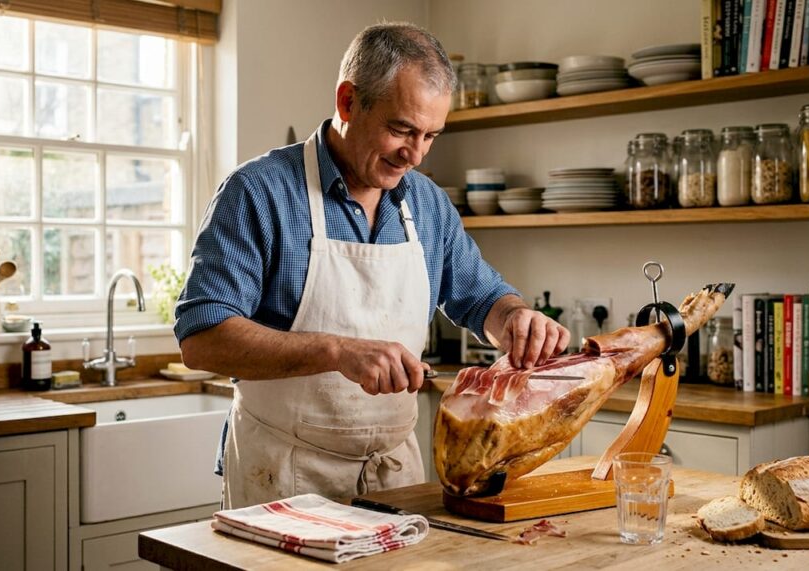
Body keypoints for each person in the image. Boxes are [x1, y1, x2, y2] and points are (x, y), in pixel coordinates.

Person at [175, 22, 569, 509]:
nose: (415, 153)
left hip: (395, 476)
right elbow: (201, 339)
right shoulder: (259, 192)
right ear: (347, 102)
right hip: (283, 475)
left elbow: (483, 298)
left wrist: (515, 320)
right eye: (401, 129)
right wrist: (338, 352)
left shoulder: (427, 204)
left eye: (431, 136)